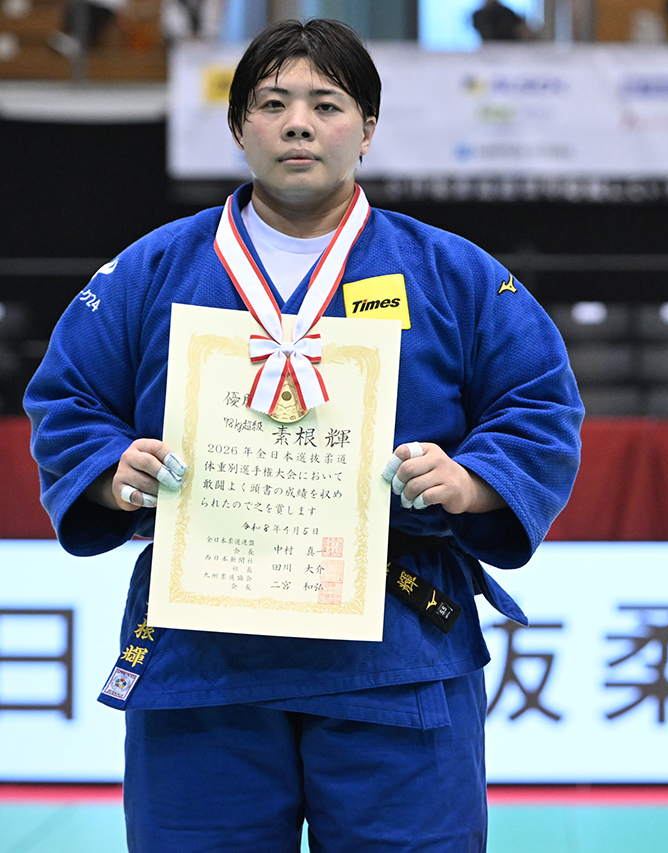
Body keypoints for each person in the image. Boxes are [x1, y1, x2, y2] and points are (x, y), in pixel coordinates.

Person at [24, 18, 582, 852]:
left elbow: (539, 401)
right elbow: (68, 398)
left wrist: (472, 482)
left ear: (367, 126)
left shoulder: (450, 271)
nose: (298, 123)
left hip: (395, 642)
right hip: (201, 651)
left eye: (326, 104)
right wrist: (111, 470)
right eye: (273, 103)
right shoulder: (150, 270)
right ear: (239, 126)